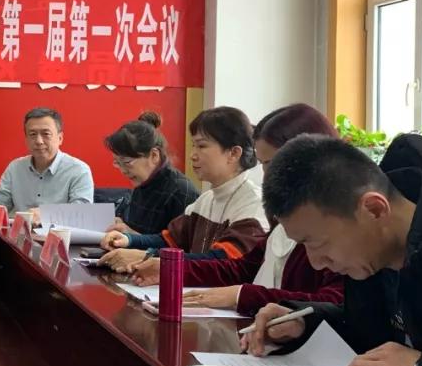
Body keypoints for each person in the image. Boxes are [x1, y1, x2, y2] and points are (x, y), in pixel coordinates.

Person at [242, 132, 422, 366]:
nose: (316, 263)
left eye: (318, 243)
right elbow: (369, 329)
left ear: (374, 209)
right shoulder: (375, 257)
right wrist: (304, 322)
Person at [129, 104, 344, 316]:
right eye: (264, 164)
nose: (267, 176)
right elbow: (242, 269)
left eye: (273, 163)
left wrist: (241, 295)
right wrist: (170, 269)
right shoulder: (283, 217)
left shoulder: (334, 226)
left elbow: (334, 303)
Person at [99, 106, 268, 271]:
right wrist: (128, 240)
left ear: (234, 153)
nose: (192, 155)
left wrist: (147, 256)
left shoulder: (253, 204)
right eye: (193, 145)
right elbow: (169, 240)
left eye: (201, 146)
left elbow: (221, 260)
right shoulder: (206, 199)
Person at [0, 107, 93, 222]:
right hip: (19, 238)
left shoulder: (79, 170)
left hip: (60, 239)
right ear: (26, 139)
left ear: (60, 138)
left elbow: (82, 212)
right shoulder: (15, 168)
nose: (39, 141)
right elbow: (0, 203)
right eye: (32, 134)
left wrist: (46, 214)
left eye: (46, 134)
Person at [104, 111, 199, 235]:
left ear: (154, 155)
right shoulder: (142, 184)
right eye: (117, 163)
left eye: (127, 162)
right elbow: (137, 229)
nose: (123, 170)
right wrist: (122, 224)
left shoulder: (180, 191)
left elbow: (181, 245)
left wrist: (131, 235)